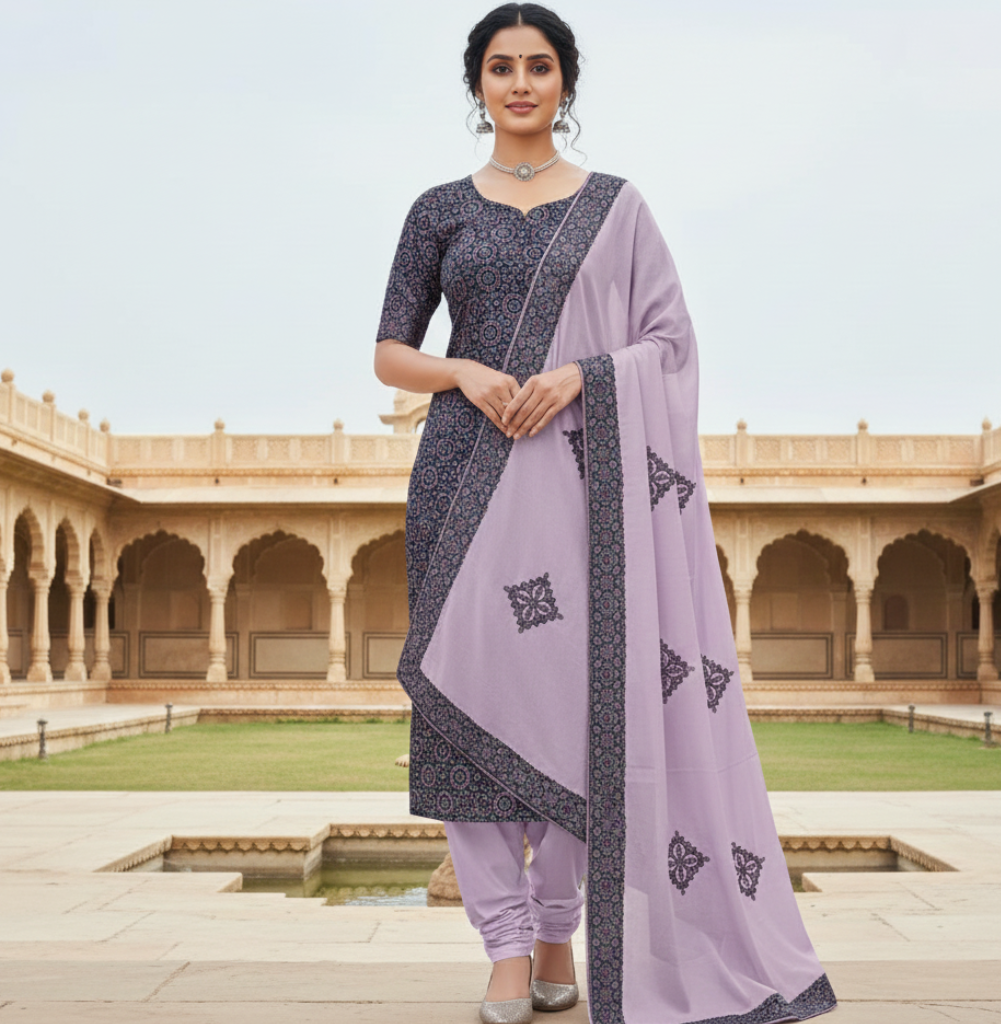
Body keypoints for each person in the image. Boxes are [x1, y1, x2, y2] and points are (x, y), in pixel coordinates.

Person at [373, 5, 838, 1023]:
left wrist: (582, 377)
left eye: (539, 66)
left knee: (584, 713)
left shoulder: (619, 208)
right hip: (462, 476)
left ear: (566, 85)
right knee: (461, 707)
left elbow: (668, 345)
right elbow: (387, 352)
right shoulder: (438, 209)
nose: (521, 84)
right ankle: (503, 948)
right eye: (500, 68)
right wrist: (461, 368)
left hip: (587, 486)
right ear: (477, 85)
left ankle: (554, 937)